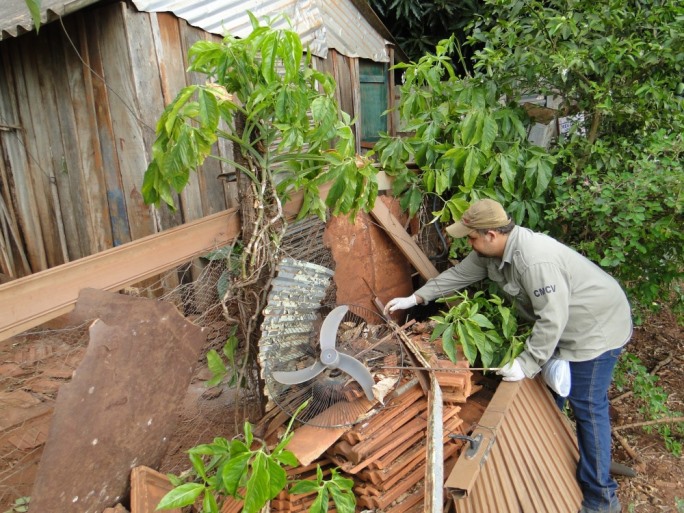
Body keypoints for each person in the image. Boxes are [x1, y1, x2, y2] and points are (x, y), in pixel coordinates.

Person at [384, 198, 632, 513]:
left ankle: (602, 497)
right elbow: (458, 276)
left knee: (587, 407)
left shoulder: (533, 260)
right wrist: (416, 297)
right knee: (551, 400)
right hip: (563, 327)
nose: (469, 243)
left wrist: (526, 363)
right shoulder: (489, 253)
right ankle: (553, 472)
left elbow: (552, 319)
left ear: (491, 234)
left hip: (595, 329)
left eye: (472, 236)